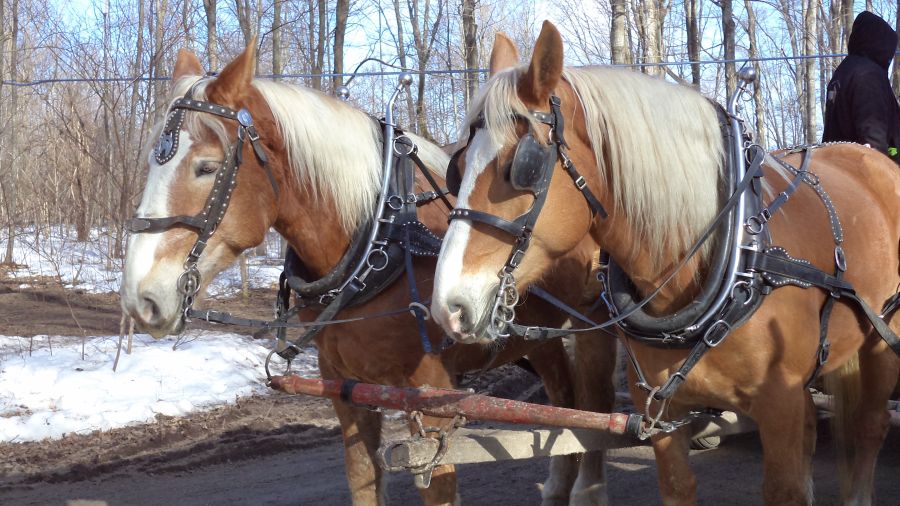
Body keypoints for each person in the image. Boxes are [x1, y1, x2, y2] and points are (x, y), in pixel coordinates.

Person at [822, 11, 900, 165]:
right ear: (879, 44)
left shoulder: (843, 72)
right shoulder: (868, 75)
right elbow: (873, 135)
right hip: (866, 173)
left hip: (837, 167)